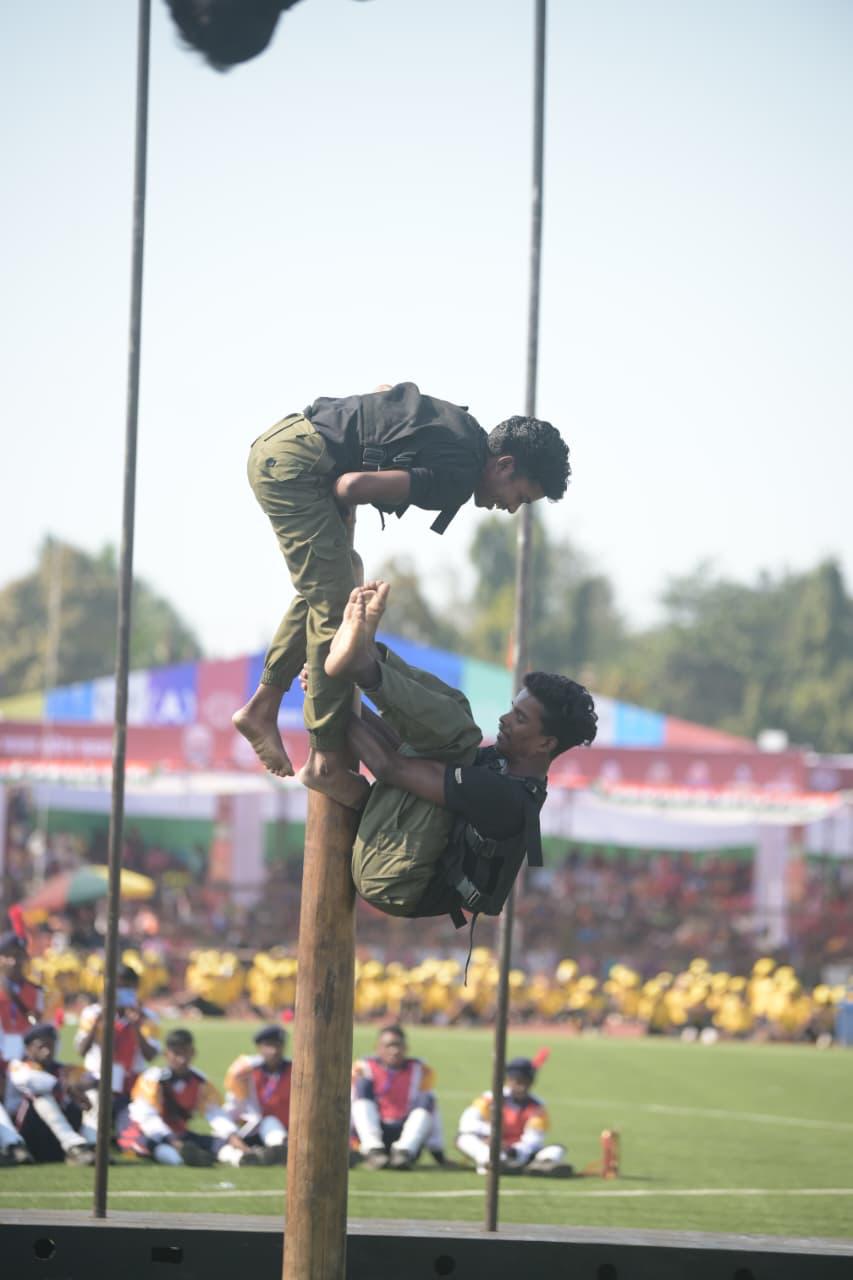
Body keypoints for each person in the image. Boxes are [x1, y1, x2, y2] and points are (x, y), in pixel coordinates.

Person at [232, 381, 571, 808]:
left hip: (288, 444)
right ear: (504, 466)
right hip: (298, 465)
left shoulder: (462, 432)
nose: (512, 508)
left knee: (335, 581)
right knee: (338, 610)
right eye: (519, 496)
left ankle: (262, 707)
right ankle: (325, 759)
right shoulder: (459, 476)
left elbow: (386, 394)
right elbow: (351, 487)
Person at [314, 582, 596, 922]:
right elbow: (406, 747)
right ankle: (369, 657)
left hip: (395, 880)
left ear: (545, 744)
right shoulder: (500, 766)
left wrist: (328, 697)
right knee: (455, 714)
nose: (505, 719)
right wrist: (349, 703)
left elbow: (389, 765)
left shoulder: (505, 796)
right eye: (512, 709)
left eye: (520, 718)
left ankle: (364, 666)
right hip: (394, 861)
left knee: (460, 734)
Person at [118, 1028, 262, 1167]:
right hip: (147, 1132)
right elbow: (146, 1117)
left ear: (193, 1053)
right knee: (162, 1149)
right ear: (166, 1054)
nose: (182, 1059)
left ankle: (240, 1158)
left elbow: (215, 1112)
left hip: (179, 1134)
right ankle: (185, 1158)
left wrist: (232, 1136)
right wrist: (172, 1141)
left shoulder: (200, 1082)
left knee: (219, 1143)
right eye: (176, 1053)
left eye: (185, 1053)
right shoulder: (152, 1079)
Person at [75, 965, 160, 1137]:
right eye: (117, 987)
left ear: (136, 988)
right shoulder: (92, 1013)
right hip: (98, 1080)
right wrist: (100, 1021)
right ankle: (91, 1141)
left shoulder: (148, 1017)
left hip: (131, 1083)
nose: (121, 992)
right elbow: (82, 1050)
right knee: (95, 1111)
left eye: (127, 987)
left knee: (133, 1128)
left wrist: (136, 1027)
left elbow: (150, 1055)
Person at [456, 1055, 571, 1177]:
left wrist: (512, 1150)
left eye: (526, 1082)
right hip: (489, 1144)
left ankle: (542, 1165)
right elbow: (467, 1123)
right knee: (464, 1139)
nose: (522, 1086)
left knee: (556, 1149)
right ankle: (495, 1163)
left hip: (518, 1152)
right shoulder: (489, 1098)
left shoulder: (537, 1107)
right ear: (509, 1080)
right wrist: (492, 1135)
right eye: (518, 1081)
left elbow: (533, 1139)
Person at [351, 1024, 444, 1170]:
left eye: (398, 1045)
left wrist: (437, 1151)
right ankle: (373, 1150)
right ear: (377, 1048)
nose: (394, 1051)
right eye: (388, 1046)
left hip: (405, 1135)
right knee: (360, 1089)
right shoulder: (363, 1068)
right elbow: (351, 1104)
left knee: (427, 1098)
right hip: (372, 1134)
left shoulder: (420, 1070)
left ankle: (403, 1153)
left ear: (406, 1048)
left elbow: (432, 1110)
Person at [8, 1024, 97, 1165]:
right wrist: (69, 1088)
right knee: (41, 1097)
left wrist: (83, 1088)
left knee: (92, 1096)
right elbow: (28, 1080)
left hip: (54, 1138)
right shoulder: (18, 1065)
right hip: (28, 1135)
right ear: (28, 1048)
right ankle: (74, 1146)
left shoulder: (60, 1068)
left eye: (51, 1045)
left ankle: (92, 1146)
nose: (47, 1051)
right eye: (41, 1046)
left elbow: (88, 1079)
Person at [222, 1024, 291, 1165]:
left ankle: (278, 1150)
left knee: (271, 1123)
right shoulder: (245, 1071)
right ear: (259, 1047)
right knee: (224, 1146)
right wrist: (230, 1132)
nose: (274, 1051)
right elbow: (233, 1105)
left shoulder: (295, 1069)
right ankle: (247, 1158)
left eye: (278, 1045)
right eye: (269, 1045)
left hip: (285, 1130)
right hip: (252, 1127)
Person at [0, 928, 44, 1066]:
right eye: (8, 956)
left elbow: (39, 1026)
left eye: (18, 956)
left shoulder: (37, 991)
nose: (14, 961)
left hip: (25, 1059)